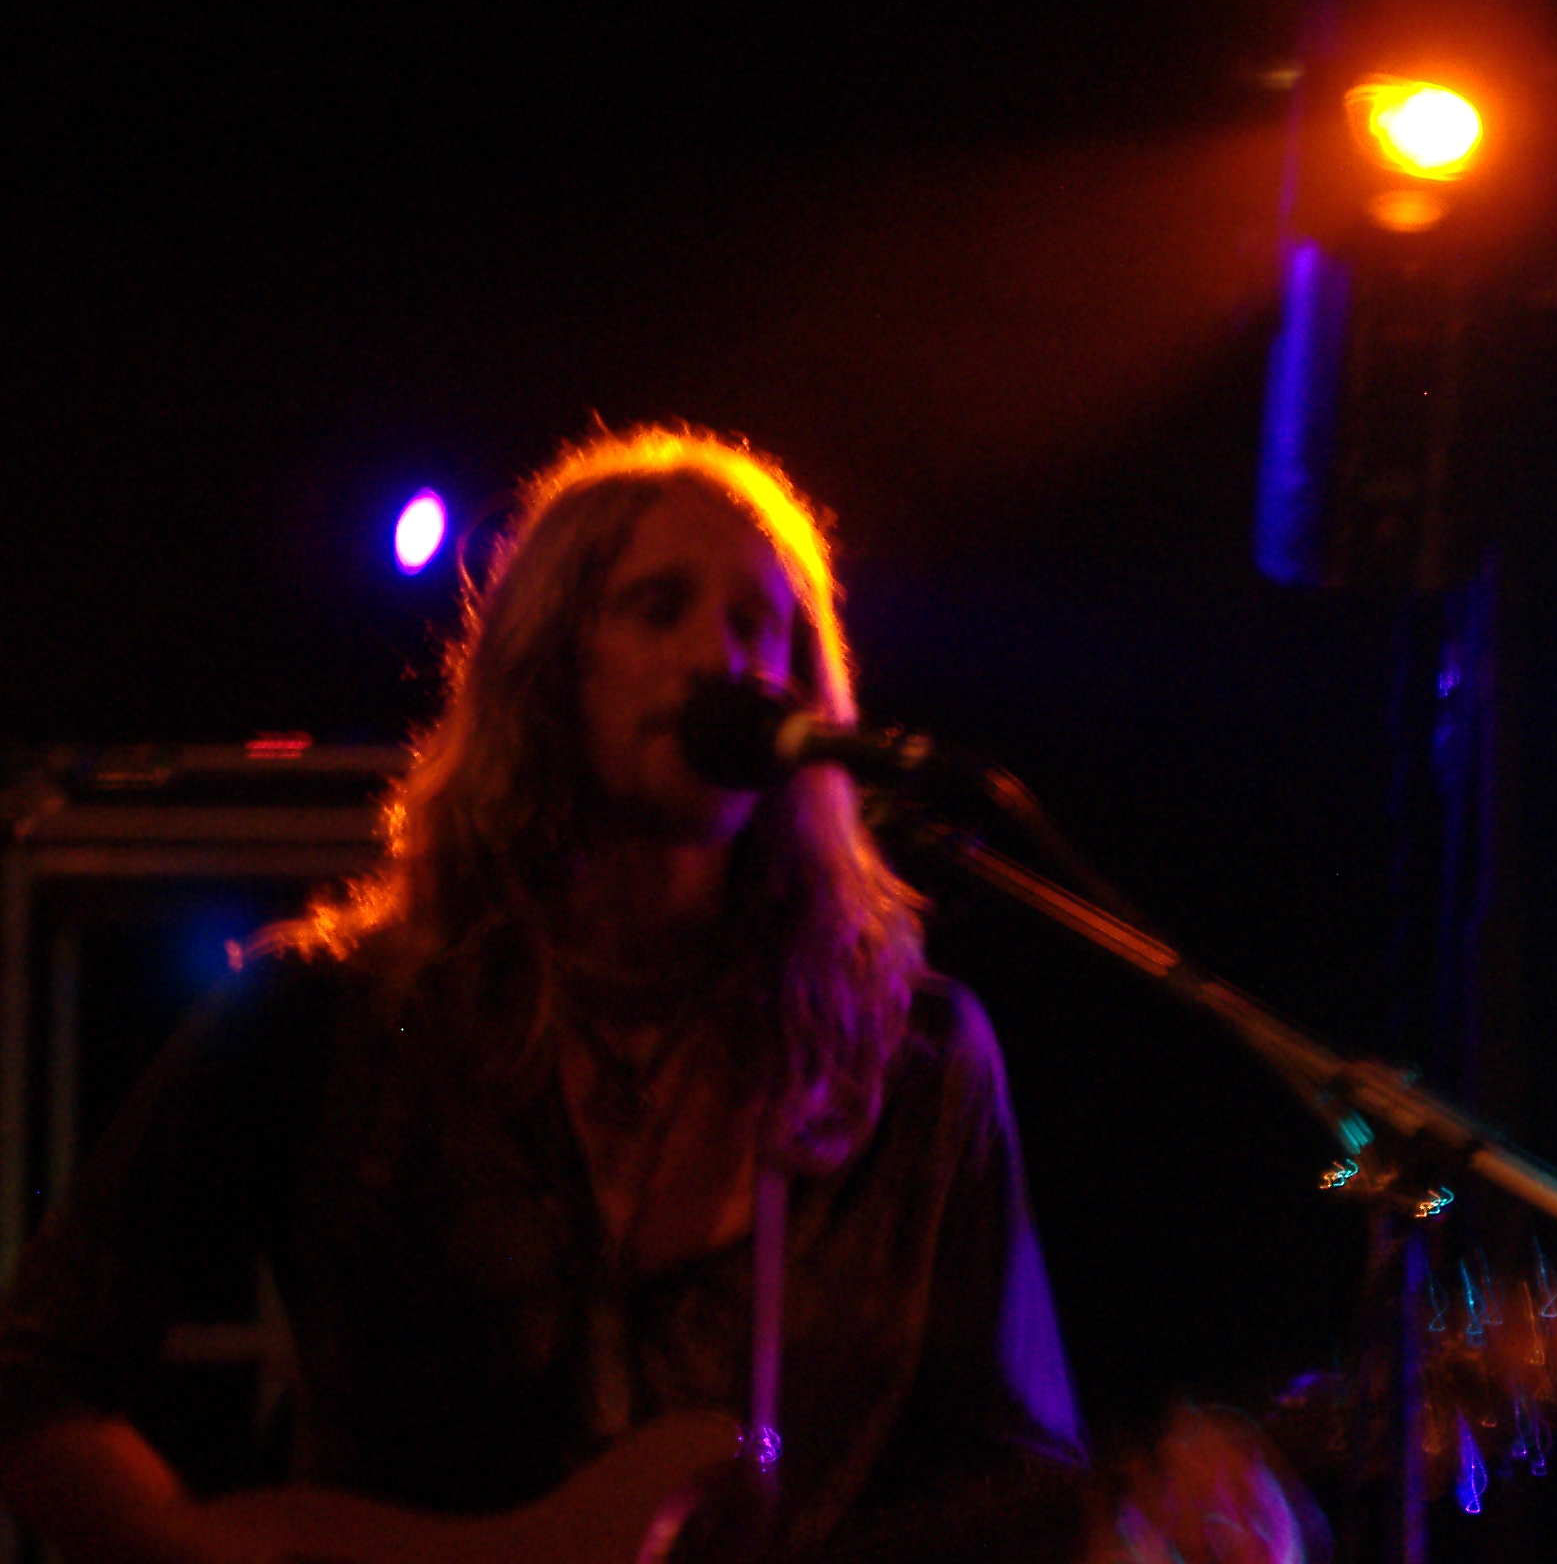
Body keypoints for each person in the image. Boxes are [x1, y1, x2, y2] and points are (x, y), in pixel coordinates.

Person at [0, 426, 1304, 1564]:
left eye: (759, 624)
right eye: (659, 606)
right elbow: (32, 1376)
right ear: (548, 666)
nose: (720, 657)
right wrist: (184, 1552)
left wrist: (1137, 1512)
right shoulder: (333, 1015)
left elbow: (1003, 1475)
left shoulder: (911, 1058)